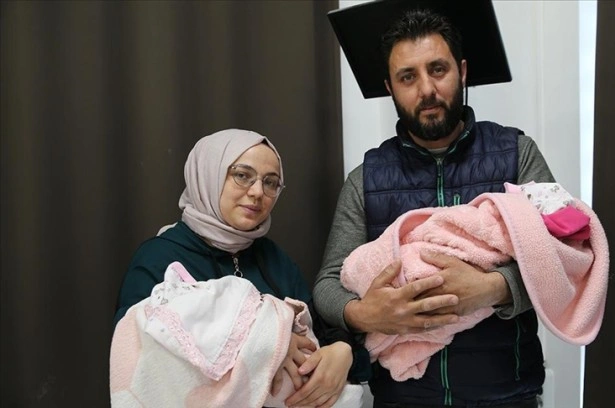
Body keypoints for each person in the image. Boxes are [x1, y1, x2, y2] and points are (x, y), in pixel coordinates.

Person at [314, 2, 555, 407]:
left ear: (462, 72)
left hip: (507, 396)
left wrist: (492, 289)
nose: (426, 89)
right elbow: (327, 283)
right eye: (408, 77)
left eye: (437, 69)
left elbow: (561, 259)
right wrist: (363, 314)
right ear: (390, 88)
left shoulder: (518, 154)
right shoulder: (364, 178)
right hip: (402, 397)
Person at [112, 129, 366, 408]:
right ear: (208, 174)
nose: (257, 192)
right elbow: (137, 357)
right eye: (242, 175)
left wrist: (344, 352)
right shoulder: (160, 258)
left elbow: (321, 330)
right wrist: (269, 343)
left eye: (270, 182)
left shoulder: (273, 259)